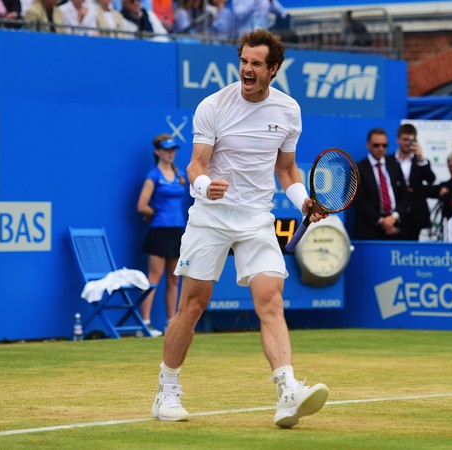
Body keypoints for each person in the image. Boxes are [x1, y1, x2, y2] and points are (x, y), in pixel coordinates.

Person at [151, 30, 329, 428]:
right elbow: (196, 164)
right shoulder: (213, 106)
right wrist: (203, 186)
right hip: (210, 218)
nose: (247, 69)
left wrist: (302, 200)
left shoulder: (288, 110)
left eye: (256, 64)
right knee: (192, 306)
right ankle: (166, 390)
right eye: (244, 61)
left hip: (256, 219)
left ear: (273, 69)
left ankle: (287, 393)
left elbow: (286, 170)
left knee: (271, 300)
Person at [136, 134, 187, 337]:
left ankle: (171, 323)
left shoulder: (181, 175)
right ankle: (145, 323)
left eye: (173, 150)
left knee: (174, 280)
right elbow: (141, 205)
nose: (170, 153)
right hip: (159, 231)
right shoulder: (153, 176)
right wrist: (155, 213)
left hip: (177, 231)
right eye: (167, 150)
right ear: (157, 152)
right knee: (154, 278)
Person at [354, 127, 405, 240]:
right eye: (376, 145)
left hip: (395, 226)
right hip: (370, 229)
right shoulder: (359, 168)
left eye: (384, 145)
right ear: (368, 145)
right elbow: (358, 200)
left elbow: (405, 194)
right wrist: (381, 221)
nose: (381, 148)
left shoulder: (395, 165)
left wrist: (394, 217)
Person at [393, 123, 436, 240]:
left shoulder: (421, 161)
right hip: (396, 212)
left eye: (412, 140)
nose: (408, 143)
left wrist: (420, 158)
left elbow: (431, 179)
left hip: (417, 213)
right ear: (398, 139)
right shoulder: (389, 160)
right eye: (405, 139)